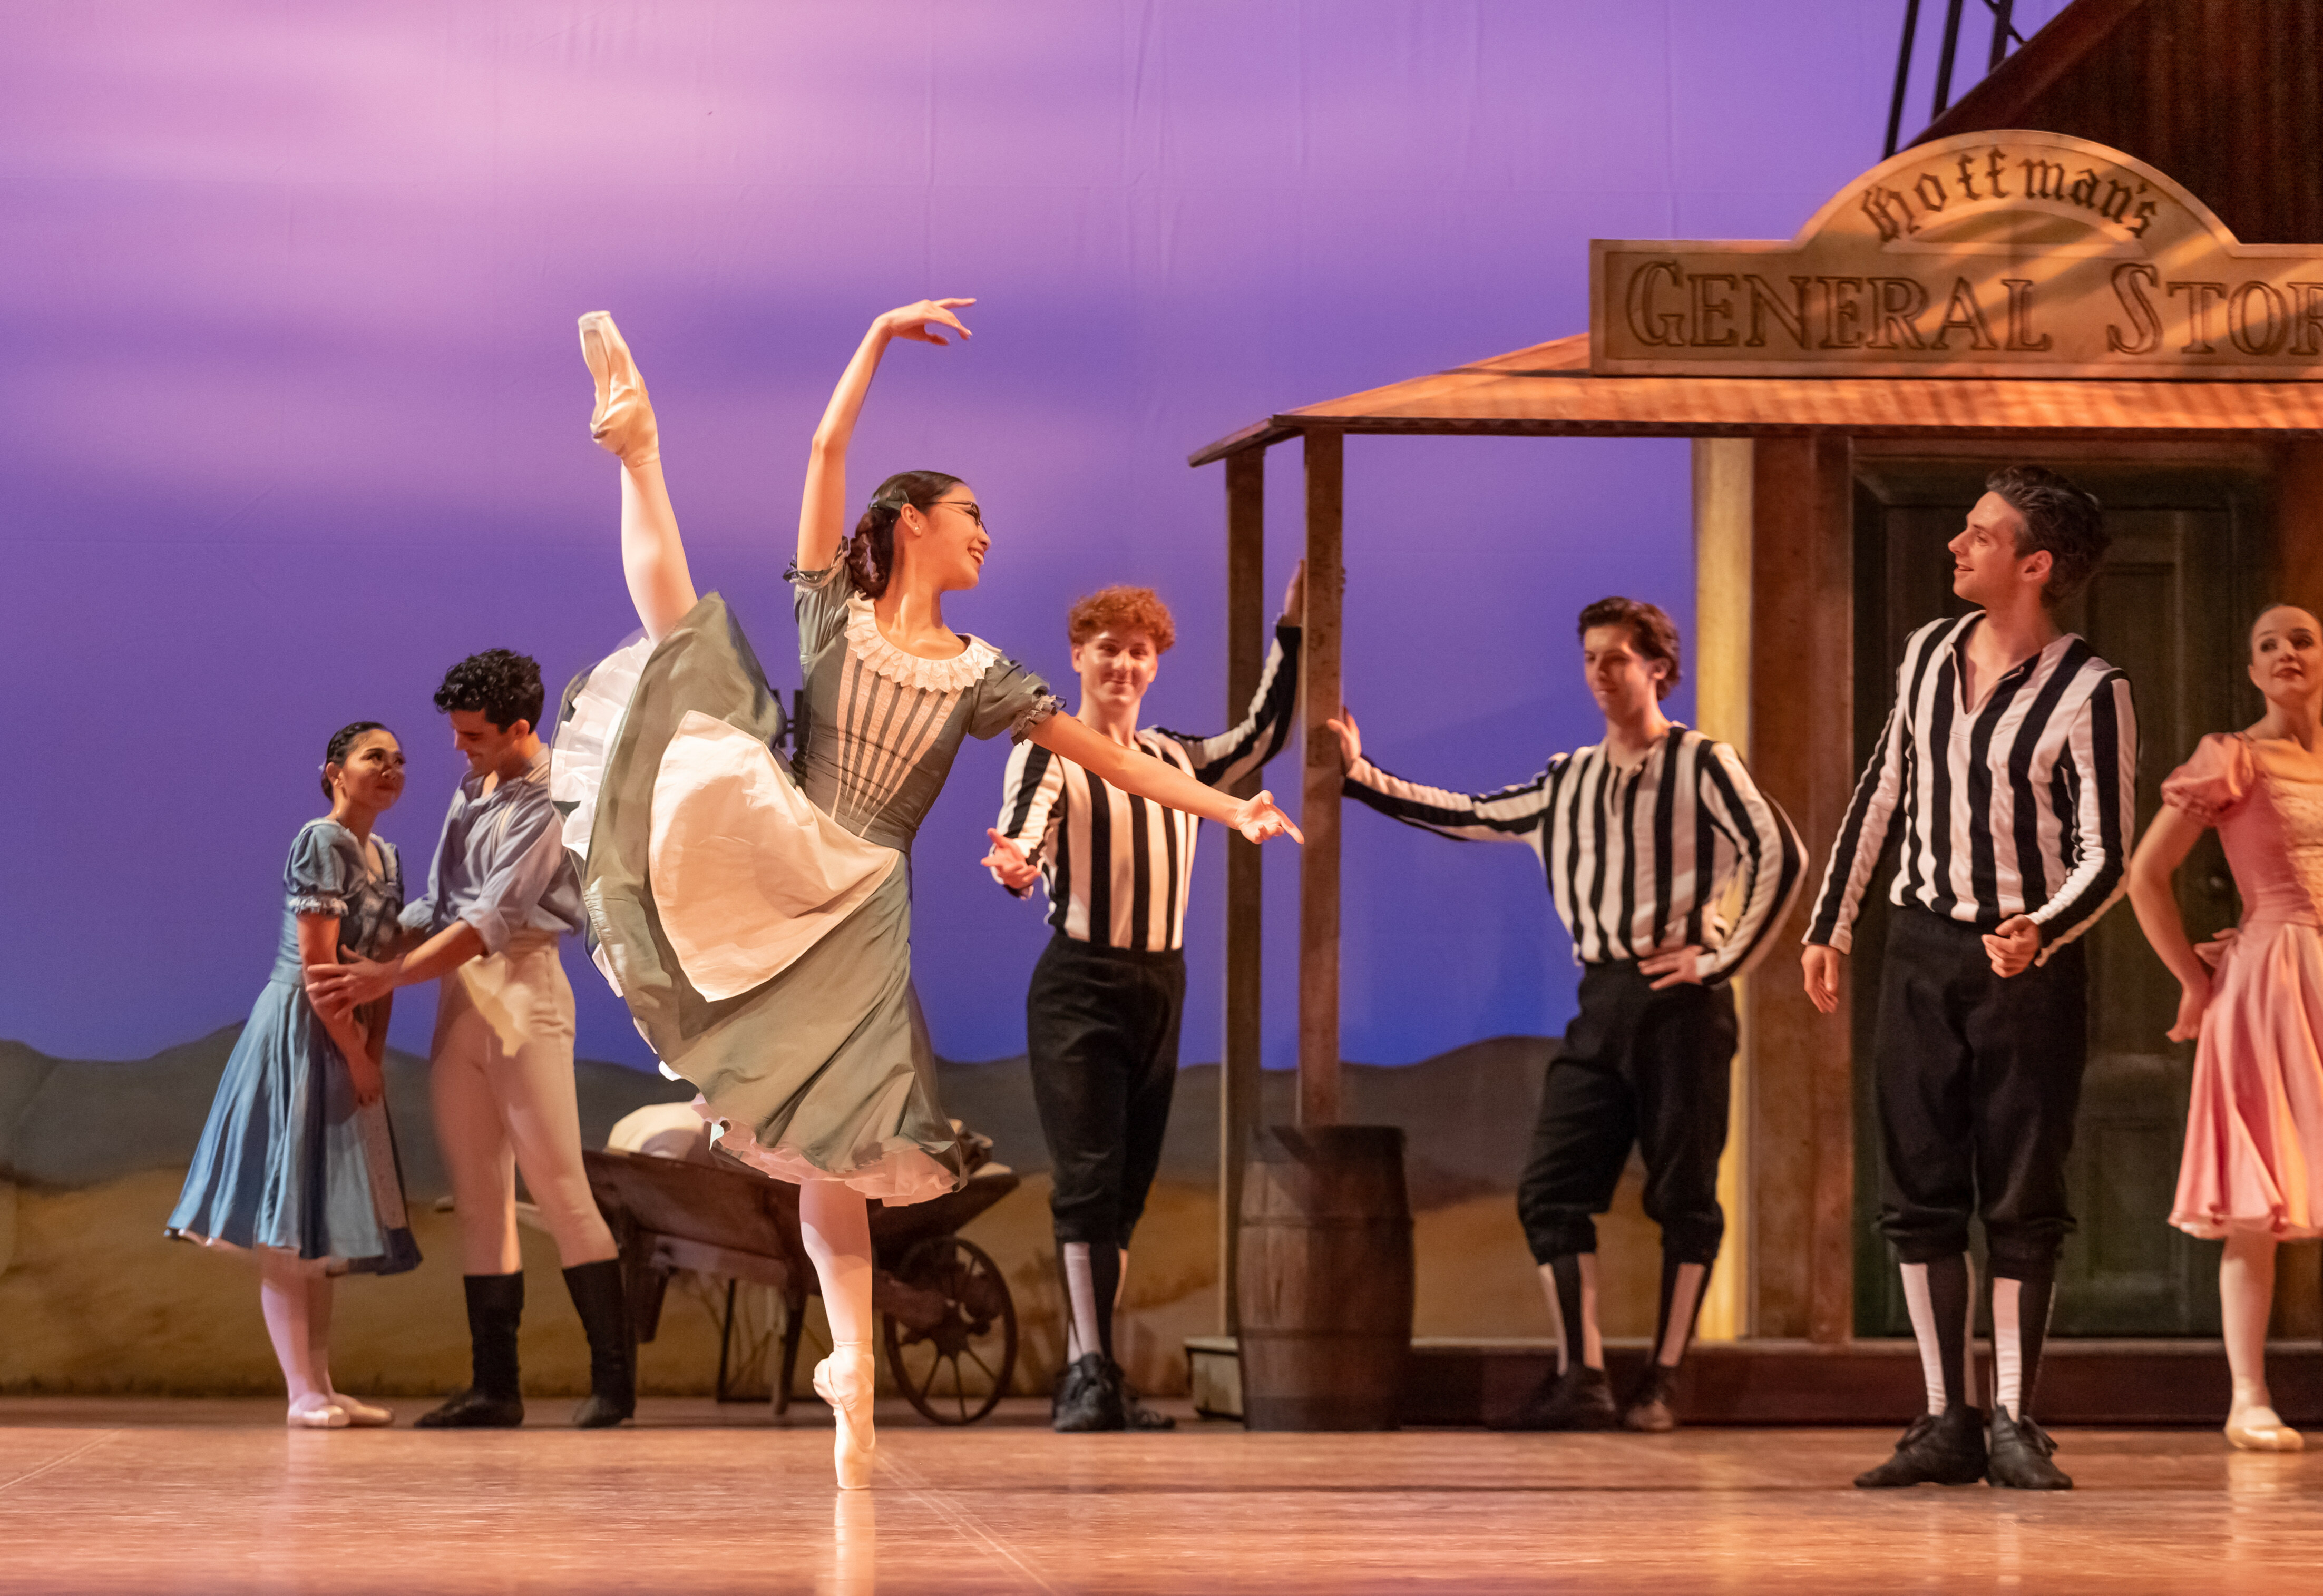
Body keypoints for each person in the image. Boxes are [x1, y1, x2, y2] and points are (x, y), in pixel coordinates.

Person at [556, 300, 1301, 1489]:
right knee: (689, 646)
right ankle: (639, 453)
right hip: (790, 845)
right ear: (913, 523)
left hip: (856, 903)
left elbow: (1116, 763)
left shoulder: (984, 674)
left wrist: (1229, 809)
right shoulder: (834, 614)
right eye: (971, 517)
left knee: (835, 1151)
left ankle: (852, 1366)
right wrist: (873, 338)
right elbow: (824, 451)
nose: (986, 536)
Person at [1329, 596, 1803, 1432]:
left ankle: (1662, 1379)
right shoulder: (1568, 779)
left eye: (1616, 658)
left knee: (1684, 1192)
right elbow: (1471, 814)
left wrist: (1720, 960)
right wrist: (1361, 776)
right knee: (1551, 1189)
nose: (1599, 674)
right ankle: (1581, 1375)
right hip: (1602, 998)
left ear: (1658, 667)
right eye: (1590, 659)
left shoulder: (1702, 763)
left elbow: (1781, 853)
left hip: (1681, 1002)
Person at [1803, 465, 2133, 1492]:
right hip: (1919, 951)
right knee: (1918, 1187)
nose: (1957, 545)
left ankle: (2013, 1420)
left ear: (2034, 566)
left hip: (2022, 968)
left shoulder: (2091, 691)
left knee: (2023, 1192)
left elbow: (2106, 852)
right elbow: (1881, 789)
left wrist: (2043, 928)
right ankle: (1944, 1416)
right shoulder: (1926, 653)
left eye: (1981, 535)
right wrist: (1830, 923)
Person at [983, 571, 1304, 1432]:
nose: (1123, 665)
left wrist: (1293, 626)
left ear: (1156, 665)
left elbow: (1263, 734)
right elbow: (1024, 830)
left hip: (1161, 986)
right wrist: (1016, 865)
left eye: (1138, 651)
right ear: (1077, 656)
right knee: (1088, 1184)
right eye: (1108, 649)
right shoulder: (1052, 748)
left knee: (1124, 1193)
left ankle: (1094, 1371)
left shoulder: (1176, 760)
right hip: (1081, 985)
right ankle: (1090, 1370)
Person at [306, 651, 632, 1431]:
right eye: (456, 733)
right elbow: (442, 901)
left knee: (559, 1186)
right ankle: (495, 1386)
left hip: (524, 991)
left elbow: (491, 920)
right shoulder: (473, 787)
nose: (458, 747)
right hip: (461, 999)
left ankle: (614, 1383)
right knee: (480, 1196)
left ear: (519, 727)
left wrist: (388, 977)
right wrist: (374, 943)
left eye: (474, 735)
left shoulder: (552, 797)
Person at [167, 722, 420, 1428]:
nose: (391, 769)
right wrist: (356, 1052)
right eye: (374, 758)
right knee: (289, 1219)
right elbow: (320, 968)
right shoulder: (321, 840)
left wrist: (374, 1049)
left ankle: (322, 1384)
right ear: (336, 771)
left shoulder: (388, 856)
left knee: (319, 1227)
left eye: (399, 760)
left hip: (348, 1035)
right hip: (301, 1032)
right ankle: (300, 1390)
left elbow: (381, 969)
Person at [2126, 602, 2323, 1453]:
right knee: (2258, 1195)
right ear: (2252, 671)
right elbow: (2146, 873)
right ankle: (2248, 1396)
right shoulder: (2233, 758)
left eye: (2302, 639)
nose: (2286, 652)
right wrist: (2194, 979)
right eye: (2268, 644)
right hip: (2272, 980)